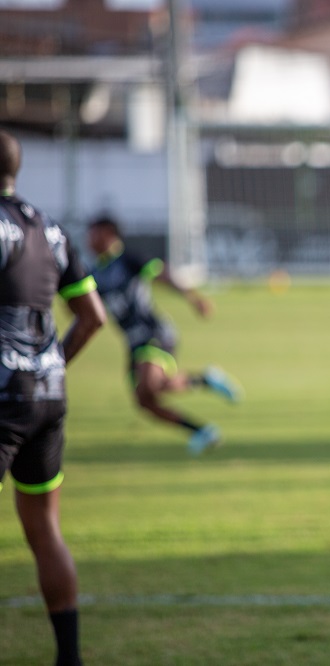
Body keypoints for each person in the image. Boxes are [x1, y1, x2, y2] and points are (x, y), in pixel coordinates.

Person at [0, 129, 106, 666]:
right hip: (48, 394)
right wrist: (52, 364)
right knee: (44, 528)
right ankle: (70, 658)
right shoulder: (51, 228)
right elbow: (93, 318)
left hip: (2, 395)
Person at [87, 215, 241, 456]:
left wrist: (192, 297)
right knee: (145, 400)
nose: (89, 240)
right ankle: (202, 425)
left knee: (151, 385)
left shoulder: (128, 260)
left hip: (153, 332)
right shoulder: (95, 272)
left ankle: (205, 384)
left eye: (93, 233)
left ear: (108, 233)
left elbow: (163, 275)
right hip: (133, 343)